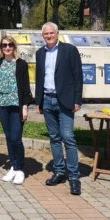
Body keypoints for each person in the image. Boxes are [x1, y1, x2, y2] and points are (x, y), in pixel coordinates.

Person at [35, 22, 83, 195]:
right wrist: (38, 101)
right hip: (47, 100)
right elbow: (40, 78)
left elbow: (78, 76)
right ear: (43, 36)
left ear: (57, 33)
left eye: (51, 33)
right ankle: (59, 172)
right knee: (54, 138)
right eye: (46, 34)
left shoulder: (69, 50)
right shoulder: (40, 53)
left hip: (65, 100)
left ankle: (74, 177)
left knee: (68, 137)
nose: (49, 36)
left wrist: (77, 99)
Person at [0, 35, 31, 185]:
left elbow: (26, 87)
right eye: (4, 45)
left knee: (16, 138)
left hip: (17, 106)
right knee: (8, 137)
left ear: (14, 47)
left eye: (10, 45)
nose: (7, 48)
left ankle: (20, 169)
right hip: (2, 105)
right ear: (1, 48)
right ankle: (13, 167)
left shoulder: (21, 64)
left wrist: (25, 106)